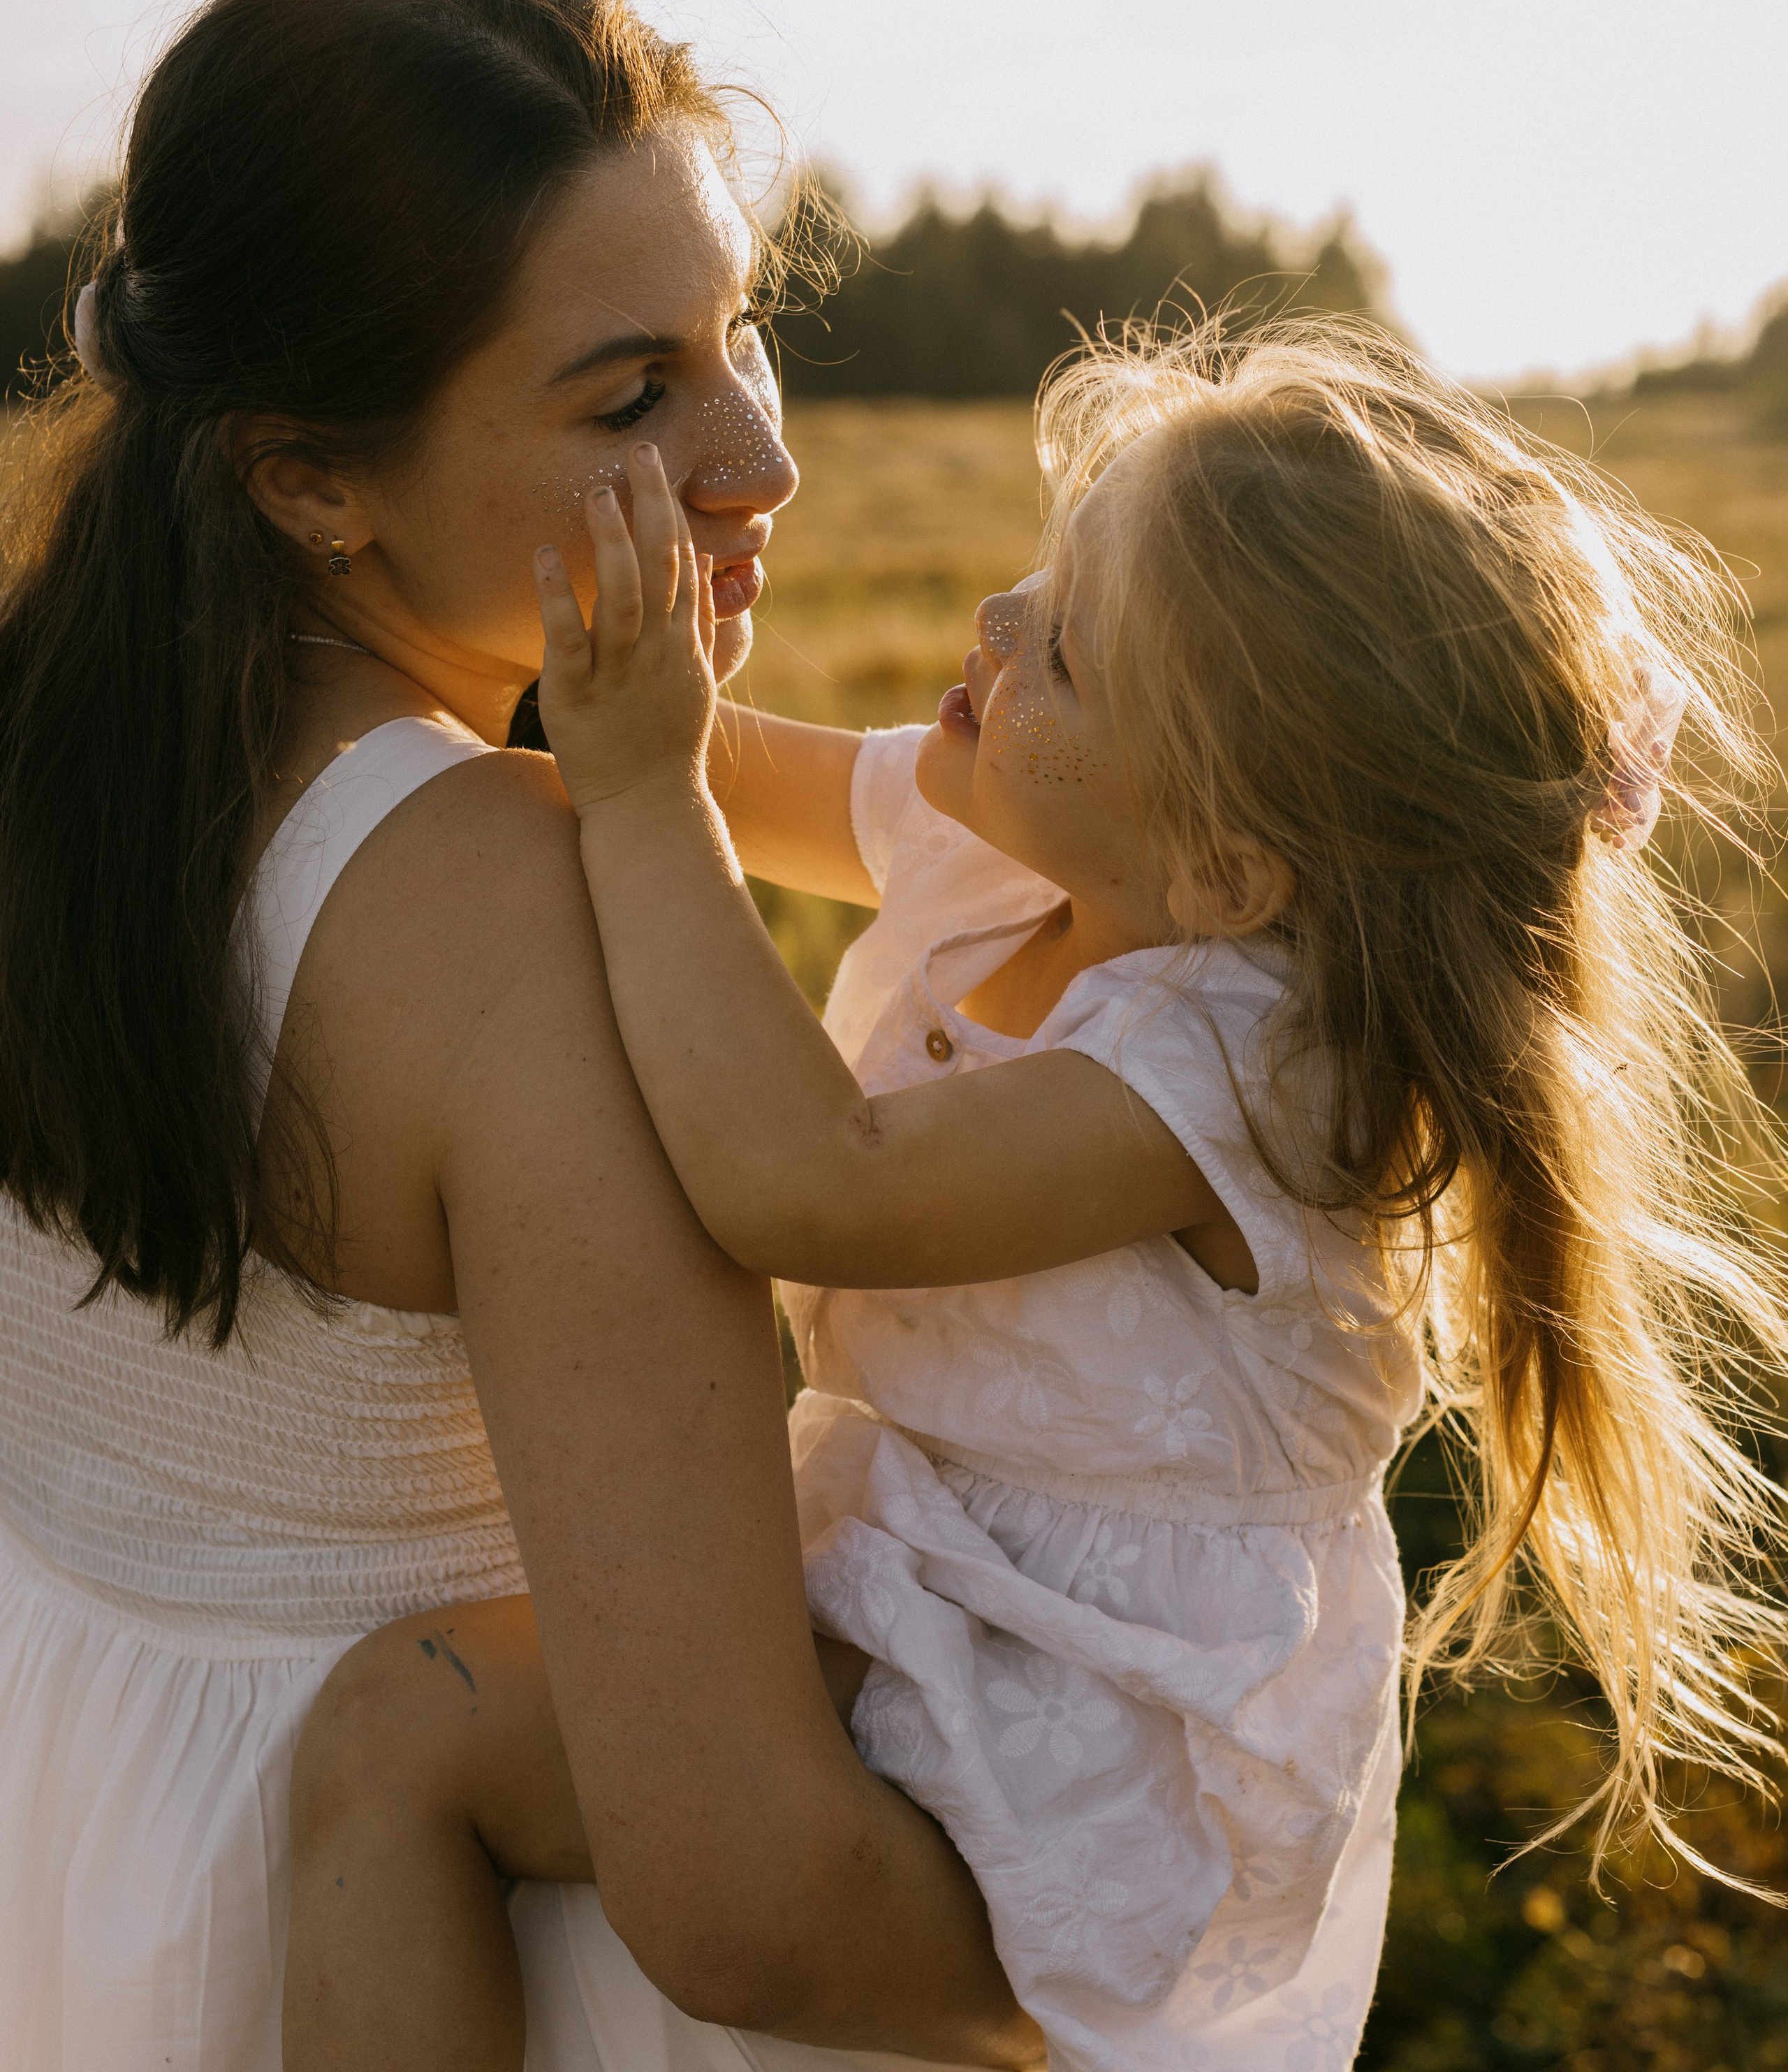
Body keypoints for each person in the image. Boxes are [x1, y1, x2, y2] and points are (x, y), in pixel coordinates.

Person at [287, 321, 1788, 2072]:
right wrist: (492, 676)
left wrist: (630, 788)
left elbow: (806, 1184)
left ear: (1227, 863)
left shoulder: (1249, 1064)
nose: (993, 626)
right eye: (1038, 576)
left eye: (1064, 650)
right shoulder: (1015, 823)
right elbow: (706, 768)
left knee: (407, 1737)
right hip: (924, 1583)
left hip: (1086, 1714)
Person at [0, 0, 1044, 2072]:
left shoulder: (55, 736)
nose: (758, 461)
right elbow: (749, 1892)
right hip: (435, 1961)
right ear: (309, 474)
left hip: (81, 1846)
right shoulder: (522, 912)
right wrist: (1219, 1931)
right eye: (629, 394)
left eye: (740, 335)